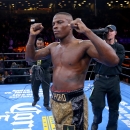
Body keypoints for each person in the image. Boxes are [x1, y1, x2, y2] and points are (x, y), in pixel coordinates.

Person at [25, 12, 119, 130]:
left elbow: (113, 60)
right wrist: (32, 36)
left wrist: (87, 31)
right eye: (53, 23)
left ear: (71, 25)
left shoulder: (84, 45)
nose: (55, 26)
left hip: (74, 102)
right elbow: (29, 58)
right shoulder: (53, 47)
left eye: (60, 22)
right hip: (55, 99)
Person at [89, 25, 125, 130]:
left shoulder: (119, 48)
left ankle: (112, 128)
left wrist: (105, 47)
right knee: (96, 104)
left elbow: (116, 61)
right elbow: (94, 58)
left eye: (111, 31)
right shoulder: (99, 47)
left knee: (114, 107)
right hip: (100, 79)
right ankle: (96, 120)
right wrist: (101, 45)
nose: (108, 32)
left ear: (115, 33)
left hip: (114, 79)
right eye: (107, 30)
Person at [30, 37, 51, 111]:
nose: (39, 45)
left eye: (40, 44)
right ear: (36, 44)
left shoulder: (47, 51)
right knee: (34, 88)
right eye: (38, 44)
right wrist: (34, 66)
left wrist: (38, 66)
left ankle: (46, 104)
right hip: (35, 73)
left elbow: (48, 63)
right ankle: (36, 99)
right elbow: (30, 60)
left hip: (45, 73)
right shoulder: (33, 51)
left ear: (43, 43)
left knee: (46, 89)